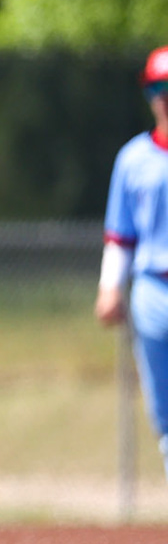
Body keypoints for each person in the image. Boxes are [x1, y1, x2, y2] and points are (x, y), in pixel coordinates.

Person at [96, 46, 168, 514]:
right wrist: (109, 287)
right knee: (164, 412)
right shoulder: (134, 158)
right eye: (159, 88)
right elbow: (120, 235)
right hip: (153, 289)